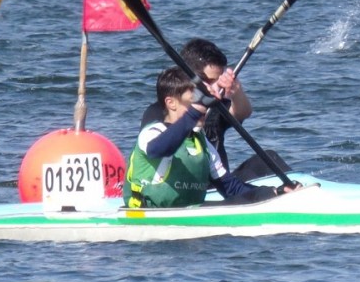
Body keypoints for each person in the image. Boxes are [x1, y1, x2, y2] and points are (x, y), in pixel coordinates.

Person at [126, 66, 300, 208]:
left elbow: (231, 188)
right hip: (147, 215)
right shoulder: (152, 132)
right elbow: (159, 150)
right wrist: (195, 111)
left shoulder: (200, 142)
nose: (204, 107)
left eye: (203, 100)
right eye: (194, 100)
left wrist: (273, 193)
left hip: (187, 214)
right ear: (171, 103)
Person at [139, 39, 288, 182]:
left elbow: (243, 112)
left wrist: (235, 91)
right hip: (183, 186)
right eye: (210, 81)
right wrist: (193, 116)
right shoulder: (158, 112)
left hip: (222, 183)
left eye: (219, 80)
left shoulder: (215, 106)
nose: (217, 88)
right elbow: (154, 149)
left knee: (269, 158)